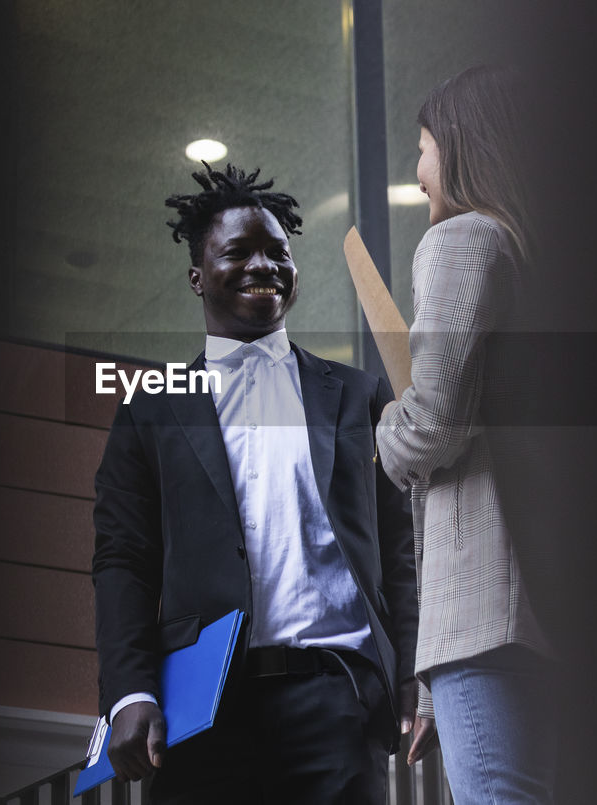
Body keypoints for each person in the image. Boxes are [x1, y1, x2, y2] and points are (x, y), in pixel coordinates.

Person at [91, 163, 419, 805]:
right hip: (203, 712)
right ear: (196, 277)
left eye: (278, 252)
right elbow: (123, 561)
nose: (263, 265)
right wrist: (130, 691)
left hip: (338, 700)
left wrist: (411, 675)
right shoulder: (150, 406)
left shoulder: (357, 395)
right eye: (238, 252)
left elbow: (400, 546)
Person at [376, 65, 559, 804]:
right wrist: (425, 696)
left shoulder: (461, 240)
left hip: (483, 621)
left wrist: (386, 428)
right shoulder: (533, 256)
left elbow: (433, 425)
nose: (417, 170)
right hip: (539, 613)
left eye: (421, 147)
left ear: (455, 147)